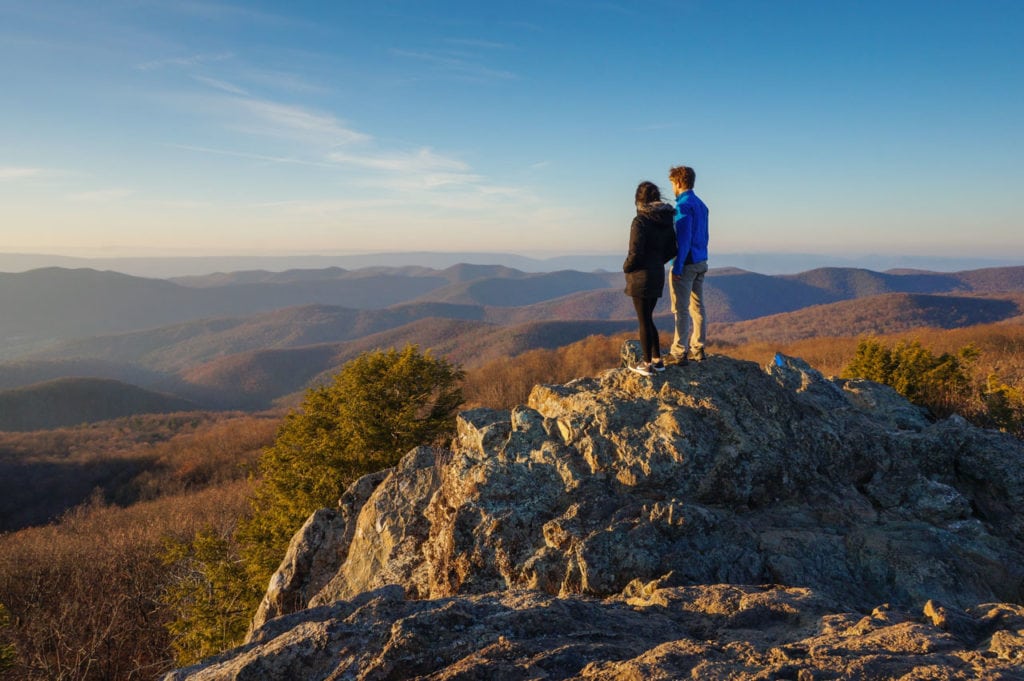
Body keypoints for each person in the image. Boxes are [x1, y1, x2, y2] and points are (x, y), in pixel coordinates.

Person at [623, 180, 677, 376]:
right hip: (657, 274)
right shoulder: (666, 219)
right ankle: (658, 360)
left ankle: (646, 364)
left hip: (640, 276)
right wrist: (657, 262)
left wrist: (626, 267)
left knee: (644, 320)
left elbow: (635, 253)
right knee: (649, 317)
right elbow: (673, 249)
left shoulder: (640, 221)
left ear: (639, 199)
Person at [667, 165, 709, 364]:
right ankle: (698, 347)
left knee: (681, 309)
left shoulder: (683, 206)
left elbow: (683, 240)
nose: (672, 188)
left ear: (678, 182)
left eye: (673, 184)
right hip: (701, 260)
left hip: (688, 262)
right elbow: (704, 235)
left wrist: (677, 266)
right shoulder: (701, 205)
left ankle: (679, 350)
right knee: (698, 307)